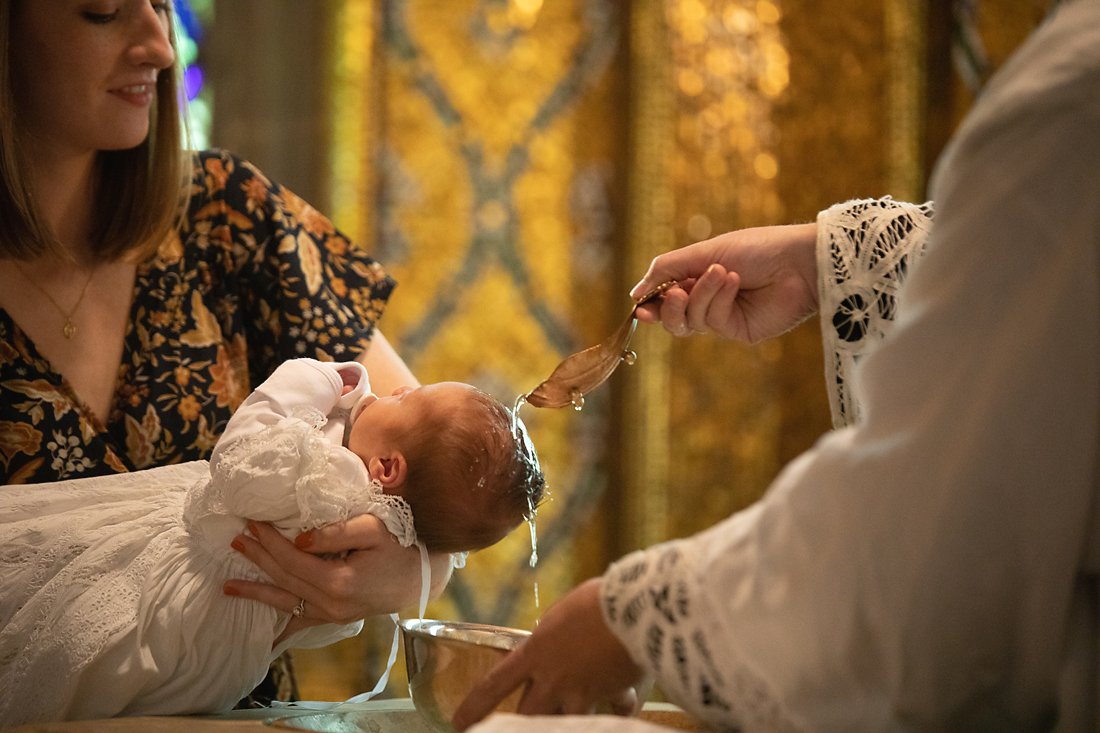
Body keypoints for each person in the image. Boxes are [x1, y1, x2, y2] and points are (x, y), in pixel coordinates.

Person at [454, 1, 1100, 730]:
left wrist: (635, 612)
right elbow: (1030, 271)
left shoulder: (1076, 97)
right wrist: (829, 263)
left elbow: (936, 519)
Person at [0, 0, 451, 705]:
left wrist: (421, 568)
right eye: (104, 11)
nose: (159, 45)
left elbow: (433, 448)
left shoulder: (228, 215)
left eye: (159, 5)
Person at [0, 356, 545, 725]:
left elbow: (234, 467)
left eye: (409, 396)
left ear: (386, 467)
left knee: (53, 627)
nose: (397, 386)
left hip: (168, 599)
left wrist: (315, 378)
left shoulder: (330, 476)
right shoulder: (369, 508)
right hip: (221, 662)